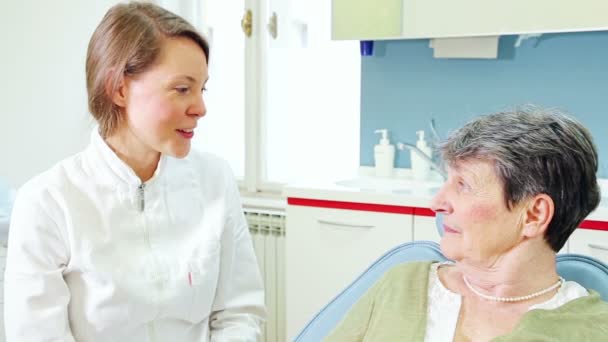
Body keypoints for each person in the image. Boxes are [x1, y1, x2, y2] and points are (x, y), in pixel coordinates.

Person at [4, 2, 265, 341]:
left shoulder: (214, 180)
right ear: (120, 89)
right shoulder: (48, 202)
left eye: (202, 89)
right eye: (182, 89)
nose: (200, 108)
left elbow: (239, 313)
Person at [325, 106, 608, 341]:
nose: (436, 203)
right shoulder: (402, 285)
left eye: (464, 185)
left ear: (534, 215)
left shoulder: (592, 330)